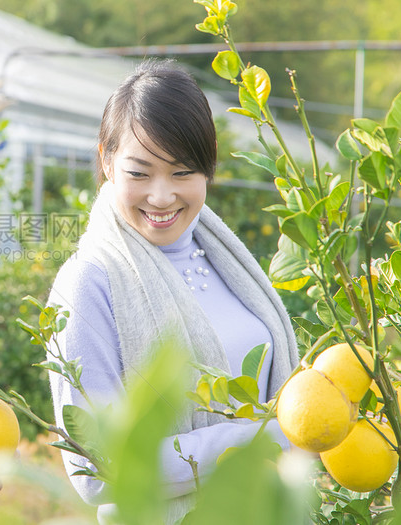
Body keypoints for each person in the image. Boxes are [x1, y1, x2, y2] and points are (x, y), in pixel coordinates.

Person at [47, 59, 300, 524]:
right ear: (106, 160)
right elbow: (96, 467)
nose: (161, 197)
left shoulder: (229, 262)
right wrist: (268, 435)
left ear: (209, 166)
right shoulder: (90, 283)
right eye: (140, 173)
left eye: (182, 173)